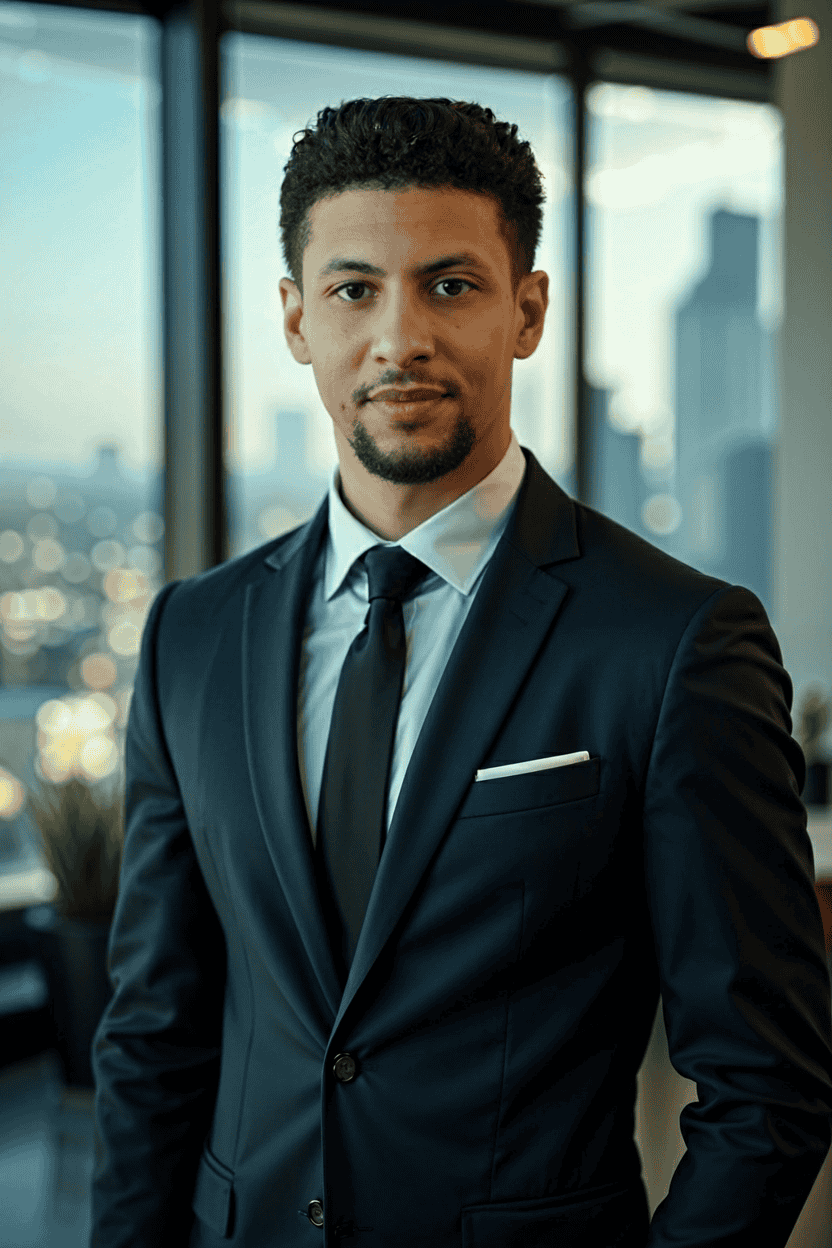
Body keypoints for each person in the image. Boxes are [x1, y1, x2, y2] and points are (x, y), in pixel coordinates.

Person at [90, 97, 832, 1248]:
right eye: (352, 290)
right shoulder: (192, 632)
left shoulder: (674, 641)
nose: (399, 339)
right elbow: (153, 1030)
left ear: (527, 311)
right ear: (295, 319)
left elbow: (767, 1083)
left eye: (450, 285)